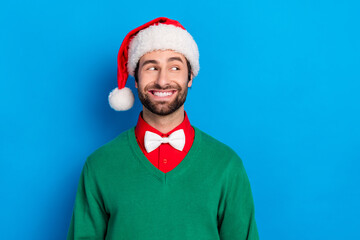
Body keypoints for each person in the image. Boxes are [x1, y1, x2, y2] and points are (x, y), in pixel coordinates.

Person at [67, 17, 259, 240]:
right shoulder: (99, 165)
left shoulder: (227, 165)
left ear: (190, 77)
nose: (162, 80)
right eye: (151, 67)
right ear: (136, 79)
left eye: (175, 67)